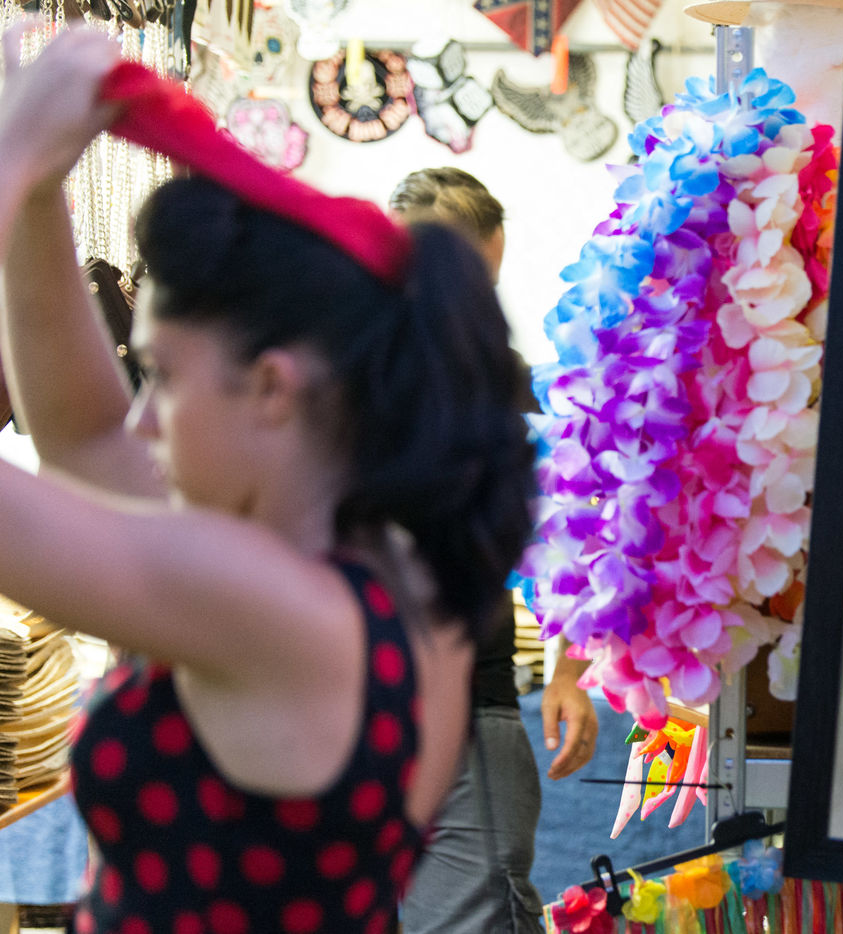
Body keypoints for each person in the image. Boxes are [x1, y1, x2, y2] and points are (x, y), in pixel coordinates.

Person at [0, 26, 535, 933]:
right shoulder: (379, 571)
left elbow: (74, 478)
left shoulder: (274, 607)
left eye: (163, 376)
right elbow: (85, 438)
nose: (142, 419)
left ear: (273, 389)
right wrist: (36, 192)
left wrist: (13, 160)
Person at [387, 166, 598, 933]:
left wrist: (569, 667)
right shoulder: (328, 372)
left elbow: (577, 522)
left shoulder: (502, 382)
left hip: (465, 712)